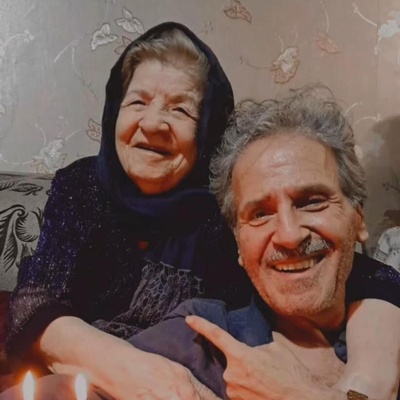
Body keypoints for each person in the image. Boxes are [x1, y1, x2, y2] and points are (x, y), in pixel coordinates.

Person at [2, 22, 399, 399]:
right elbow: (34, 303)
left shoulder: (224, 209)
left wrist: (368, 379)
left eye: (181, 110)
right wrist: (145, 376)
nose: (152, 123)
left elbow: (338, 269)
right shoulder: (82, 185)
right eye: (137, 101)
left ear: (206, 128)